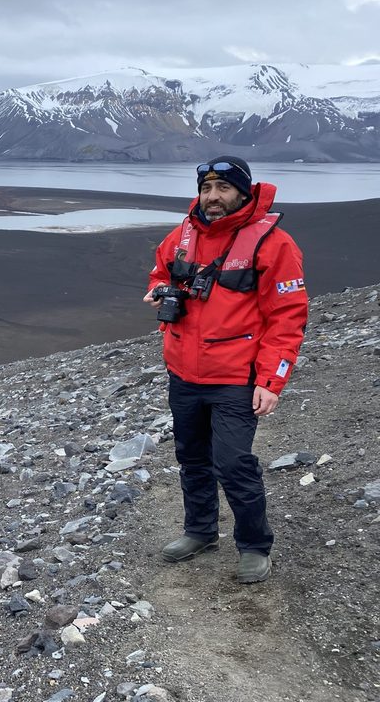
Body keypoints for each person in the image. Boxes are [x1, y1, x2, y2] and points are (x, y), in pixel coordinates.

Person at [144, 156, 308, 585]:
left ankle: (254, 545)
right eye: (206, 189)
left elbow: (288, 318)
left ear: (243, 191)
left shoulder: (274, 244)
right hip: (183, 374)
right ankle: (200, 531)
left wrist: (271, 382)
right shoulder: (182, 236)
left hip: (236, 378)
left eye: (223, 189)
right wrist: (158, 289)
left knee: (233, 463)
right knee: (192, 459)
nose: (212, 198)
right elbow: (159, 271)